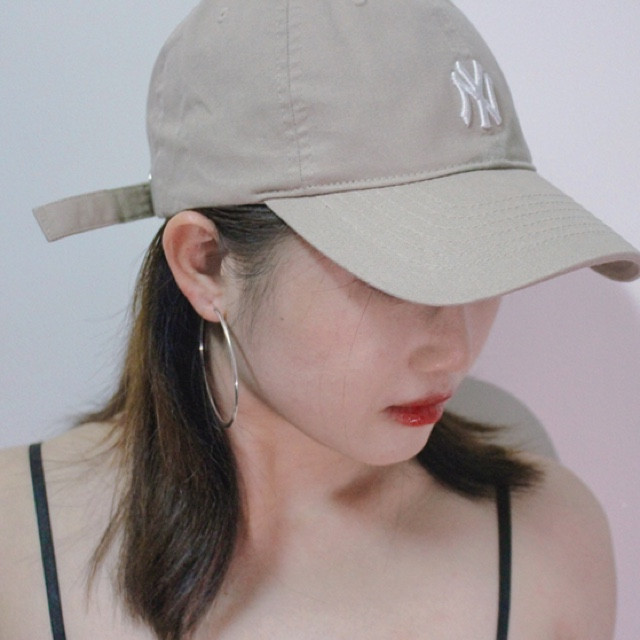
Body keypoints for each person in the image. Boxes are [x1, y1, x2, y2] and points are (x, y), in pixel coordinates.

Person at [1, 1, 639, 639]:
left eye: (489, 265)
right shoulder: (15, 547)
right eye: (391, 275)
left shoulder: (553, 547)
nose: (454, 350)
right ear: (206, 264)